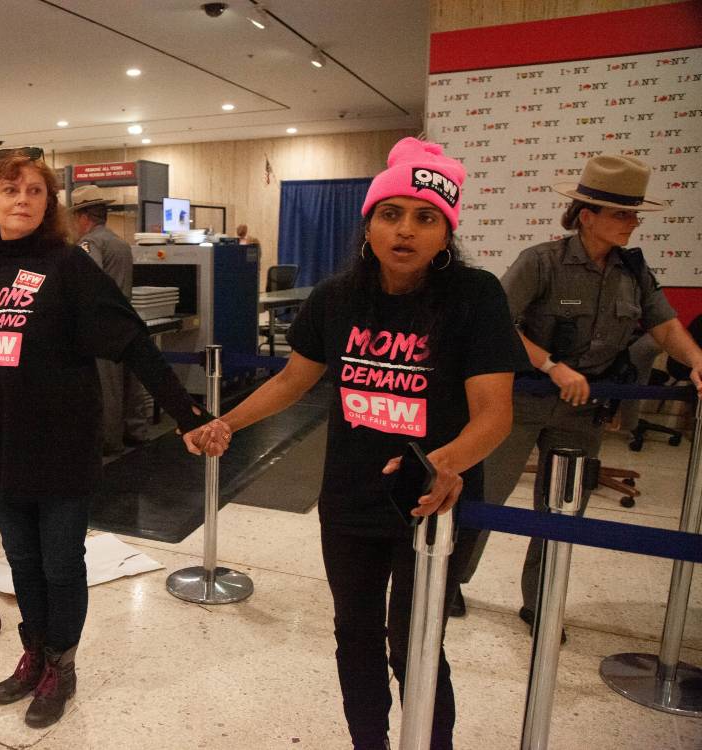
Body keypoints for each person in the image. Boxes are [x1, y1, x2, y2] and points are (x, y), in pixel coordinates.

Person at [187, 138, 525, 749]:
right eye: (391, 214)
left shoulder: (476, 297)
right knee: (357, 636)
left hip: (433, 502)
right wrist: (228, 423)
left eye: (426, 218)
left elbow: (495, 413)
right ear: (367, 224)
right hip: (348, 499)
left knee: (415, 640)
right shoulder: (337, 298)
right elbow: (295, 379)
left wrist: (443, 464)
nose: (406, 230)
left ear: (446, 233)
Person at [0, 149, 209, 728]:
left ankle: (61, 667)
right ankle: (34, 653)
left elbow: (132, 341)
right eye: (10, 190)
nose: (22, 200)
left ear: (49, 205)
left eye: (35, 192)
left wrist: (185, 414)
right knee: (21, 561)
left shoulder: (69, 265)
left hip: (61, 442)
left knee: (62, 562)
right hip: (0, 444)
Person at [466, 154, 702, 635]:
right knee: (485, 494)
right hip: (521, 399)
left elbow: (665, 326)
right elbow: (496, 327)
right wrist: (551, 366)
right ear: (587, 215)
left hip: (582, 411)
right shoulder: (540, 262)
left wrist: (698, 360)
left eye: (635, 214)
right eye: (623, 213)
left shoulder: (633, 272)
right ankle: (448, 582)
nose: (633, 223)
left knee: (562, 510)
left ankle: (541, 601)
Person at [68, 184, 150, 453]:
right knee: (130, 381)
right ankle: (135, 430)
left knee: (107, 385)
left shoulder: (90, 244)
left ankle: (108, 440)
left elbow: (87, 283)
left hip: (102, 323)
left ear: (83, 217)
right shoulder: (120, 243)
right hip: (125, 316)